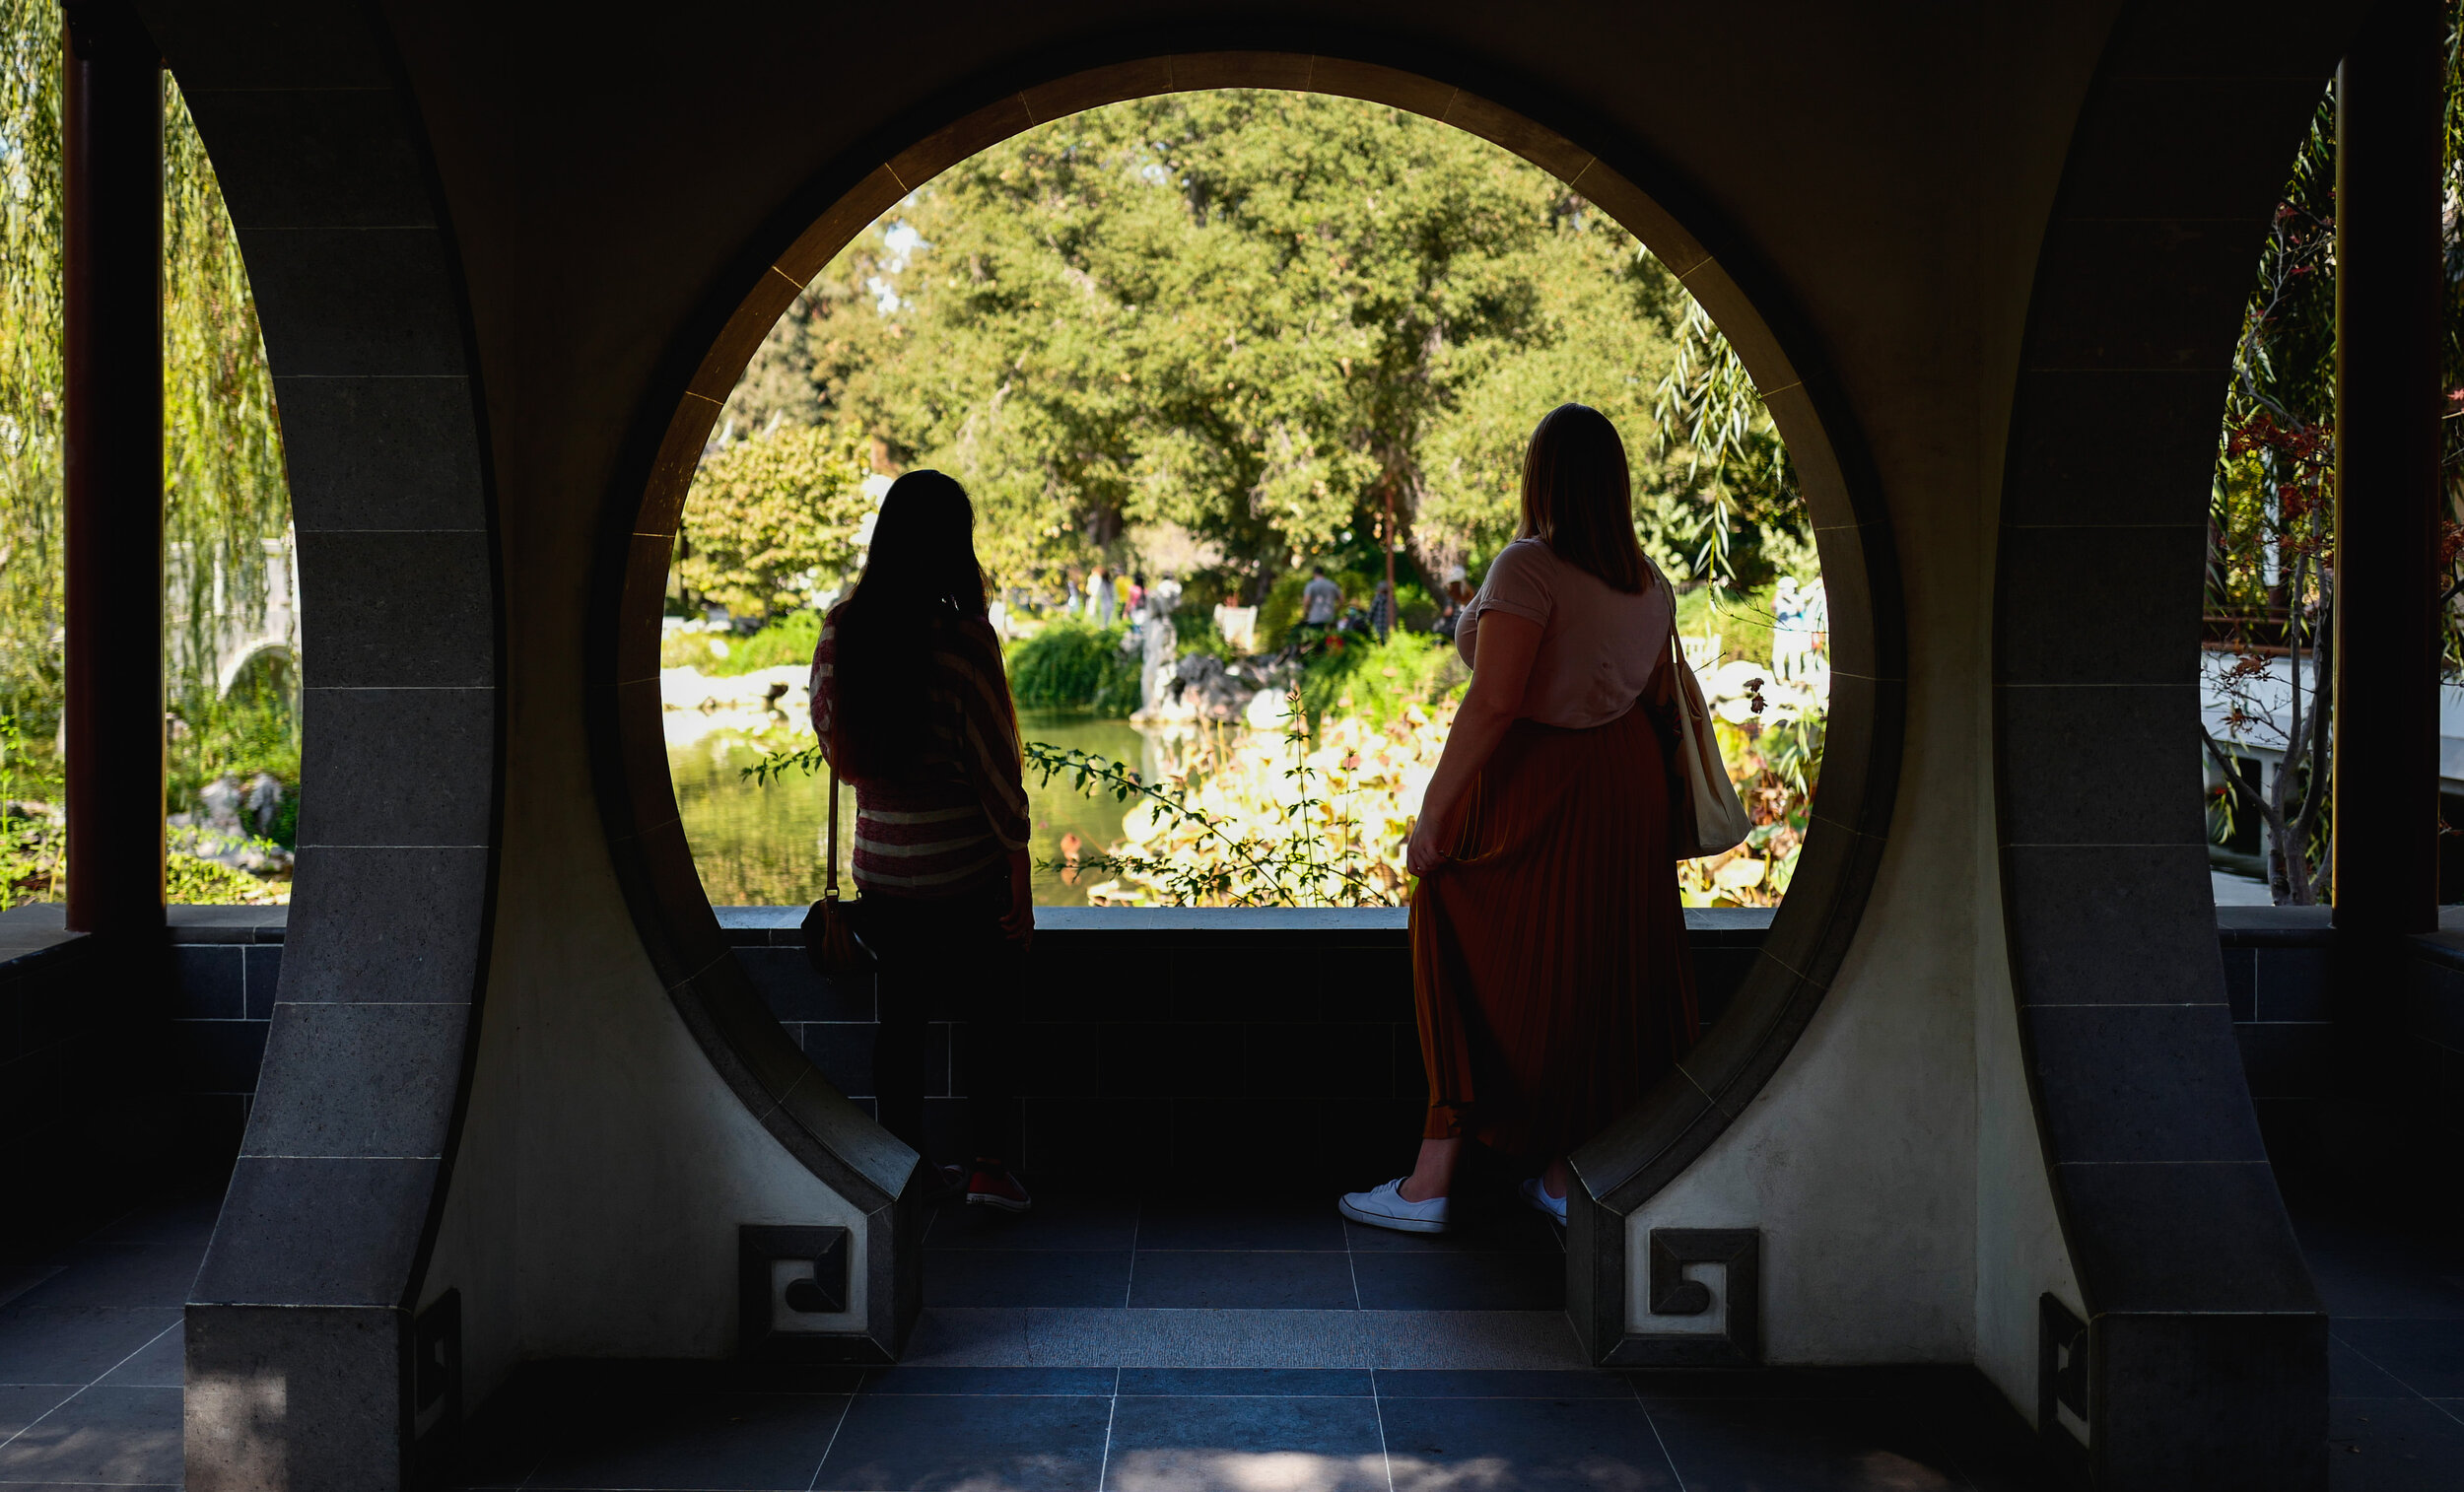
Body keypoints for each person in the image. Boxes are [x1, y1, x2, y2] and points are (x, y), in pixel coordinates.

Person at [1341, 404, 1699, 1234]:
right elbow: (1647, 692)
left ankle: (1433, 1181)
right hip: (1625, 788)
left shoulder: (1529, 568)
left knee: (1448, 917)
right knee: (1595, 969)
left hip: (1538, 783)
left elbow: (1495, 700)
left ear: (1541, 476)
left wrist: (1433, 814)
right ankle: (1563, 1177)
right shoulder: (1649, 582)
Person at [808, 469, 1037, 1214]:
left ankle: (902, 1172)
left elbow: (833, 741)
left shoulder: (843, 630)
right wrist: (1019, 871)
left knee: (900, 1024)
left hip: (883, 876)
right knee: (988, 1017)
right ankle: (988, 1169)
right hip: (964, 875)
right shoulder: (964, 641)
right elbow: (996, 769)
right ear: (952, 549)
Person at [1299, 566, 1342, 641]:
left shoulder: (1311, 585)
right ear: (1323, 574)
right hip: (1329, 618)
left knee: (1315, 642)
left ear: (1314, 574)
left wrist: (1306, 612)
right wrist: (1337, 610)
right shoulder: (1332, 584)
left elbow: (1306, 601)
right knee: (1329, 642)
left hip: (1315, 618)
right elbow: (1341, 599)